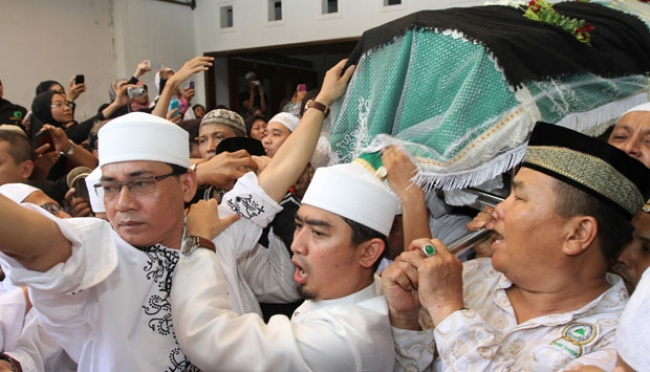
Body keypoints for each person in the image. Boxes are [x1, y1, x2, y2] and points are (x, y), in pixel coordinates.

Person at [0, 55, 339, 371]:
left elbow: (280, 170)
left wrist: (320, 102)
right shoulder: (96, 258)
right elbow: (29, 239)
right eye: (111, 187)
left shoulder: (215, 228)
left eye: (142, 183)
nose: (123, 204)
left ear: (188, 185)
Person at [170, 60, 398, 372]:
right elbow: (277, 175)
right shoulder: (341, 295)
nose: (297, 245)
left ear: (369, 251)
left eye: (318, 233)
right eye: (299, 225)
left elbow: (211, 340)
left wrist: (198, 243)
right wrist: (319, 104)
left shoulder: (343, 339)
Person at [383, 122, 650, 371]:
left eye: (519, 197)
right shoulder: (468, 277)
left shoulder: (621, 341)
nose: (497, 209)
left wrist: (446, 309)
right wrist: (407, 319)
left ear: (578, 234)